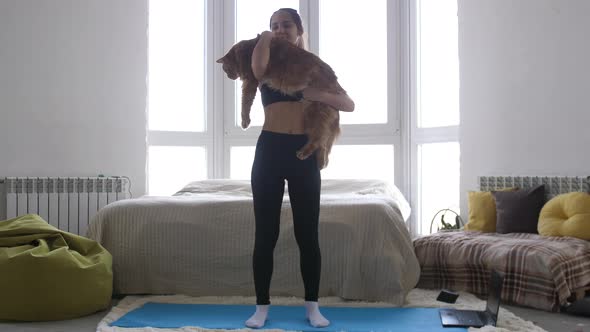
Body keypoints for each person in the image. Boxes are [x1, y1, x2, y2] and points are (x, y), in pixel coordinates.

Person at [245, 7, 355, 329]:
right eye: (274, 26)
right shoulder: (268, 62)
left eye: (286, 25)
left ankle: (312, 306)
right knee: (266, 234)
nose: (280, 30)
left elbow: (347, 103)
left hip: (303, 156)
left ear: (299, 29)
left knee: (308, 234)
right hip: (269, 152)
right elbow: (257, 67)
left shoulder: (314, 68)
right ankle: (261, 307)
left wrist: (312, 93)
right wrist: (264, 38)